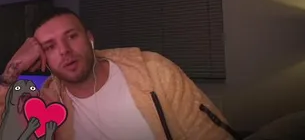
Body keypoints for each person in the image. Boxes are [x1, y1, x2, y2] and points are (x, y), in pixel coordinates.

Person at [0, 8, 236, 139]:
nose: (64, 51)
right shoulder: (48, 100)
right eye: (50, 47)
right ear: (43, 59)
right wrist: (14, 67)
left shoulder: (154, 71)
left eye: (71, 36)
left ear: (90, 39)